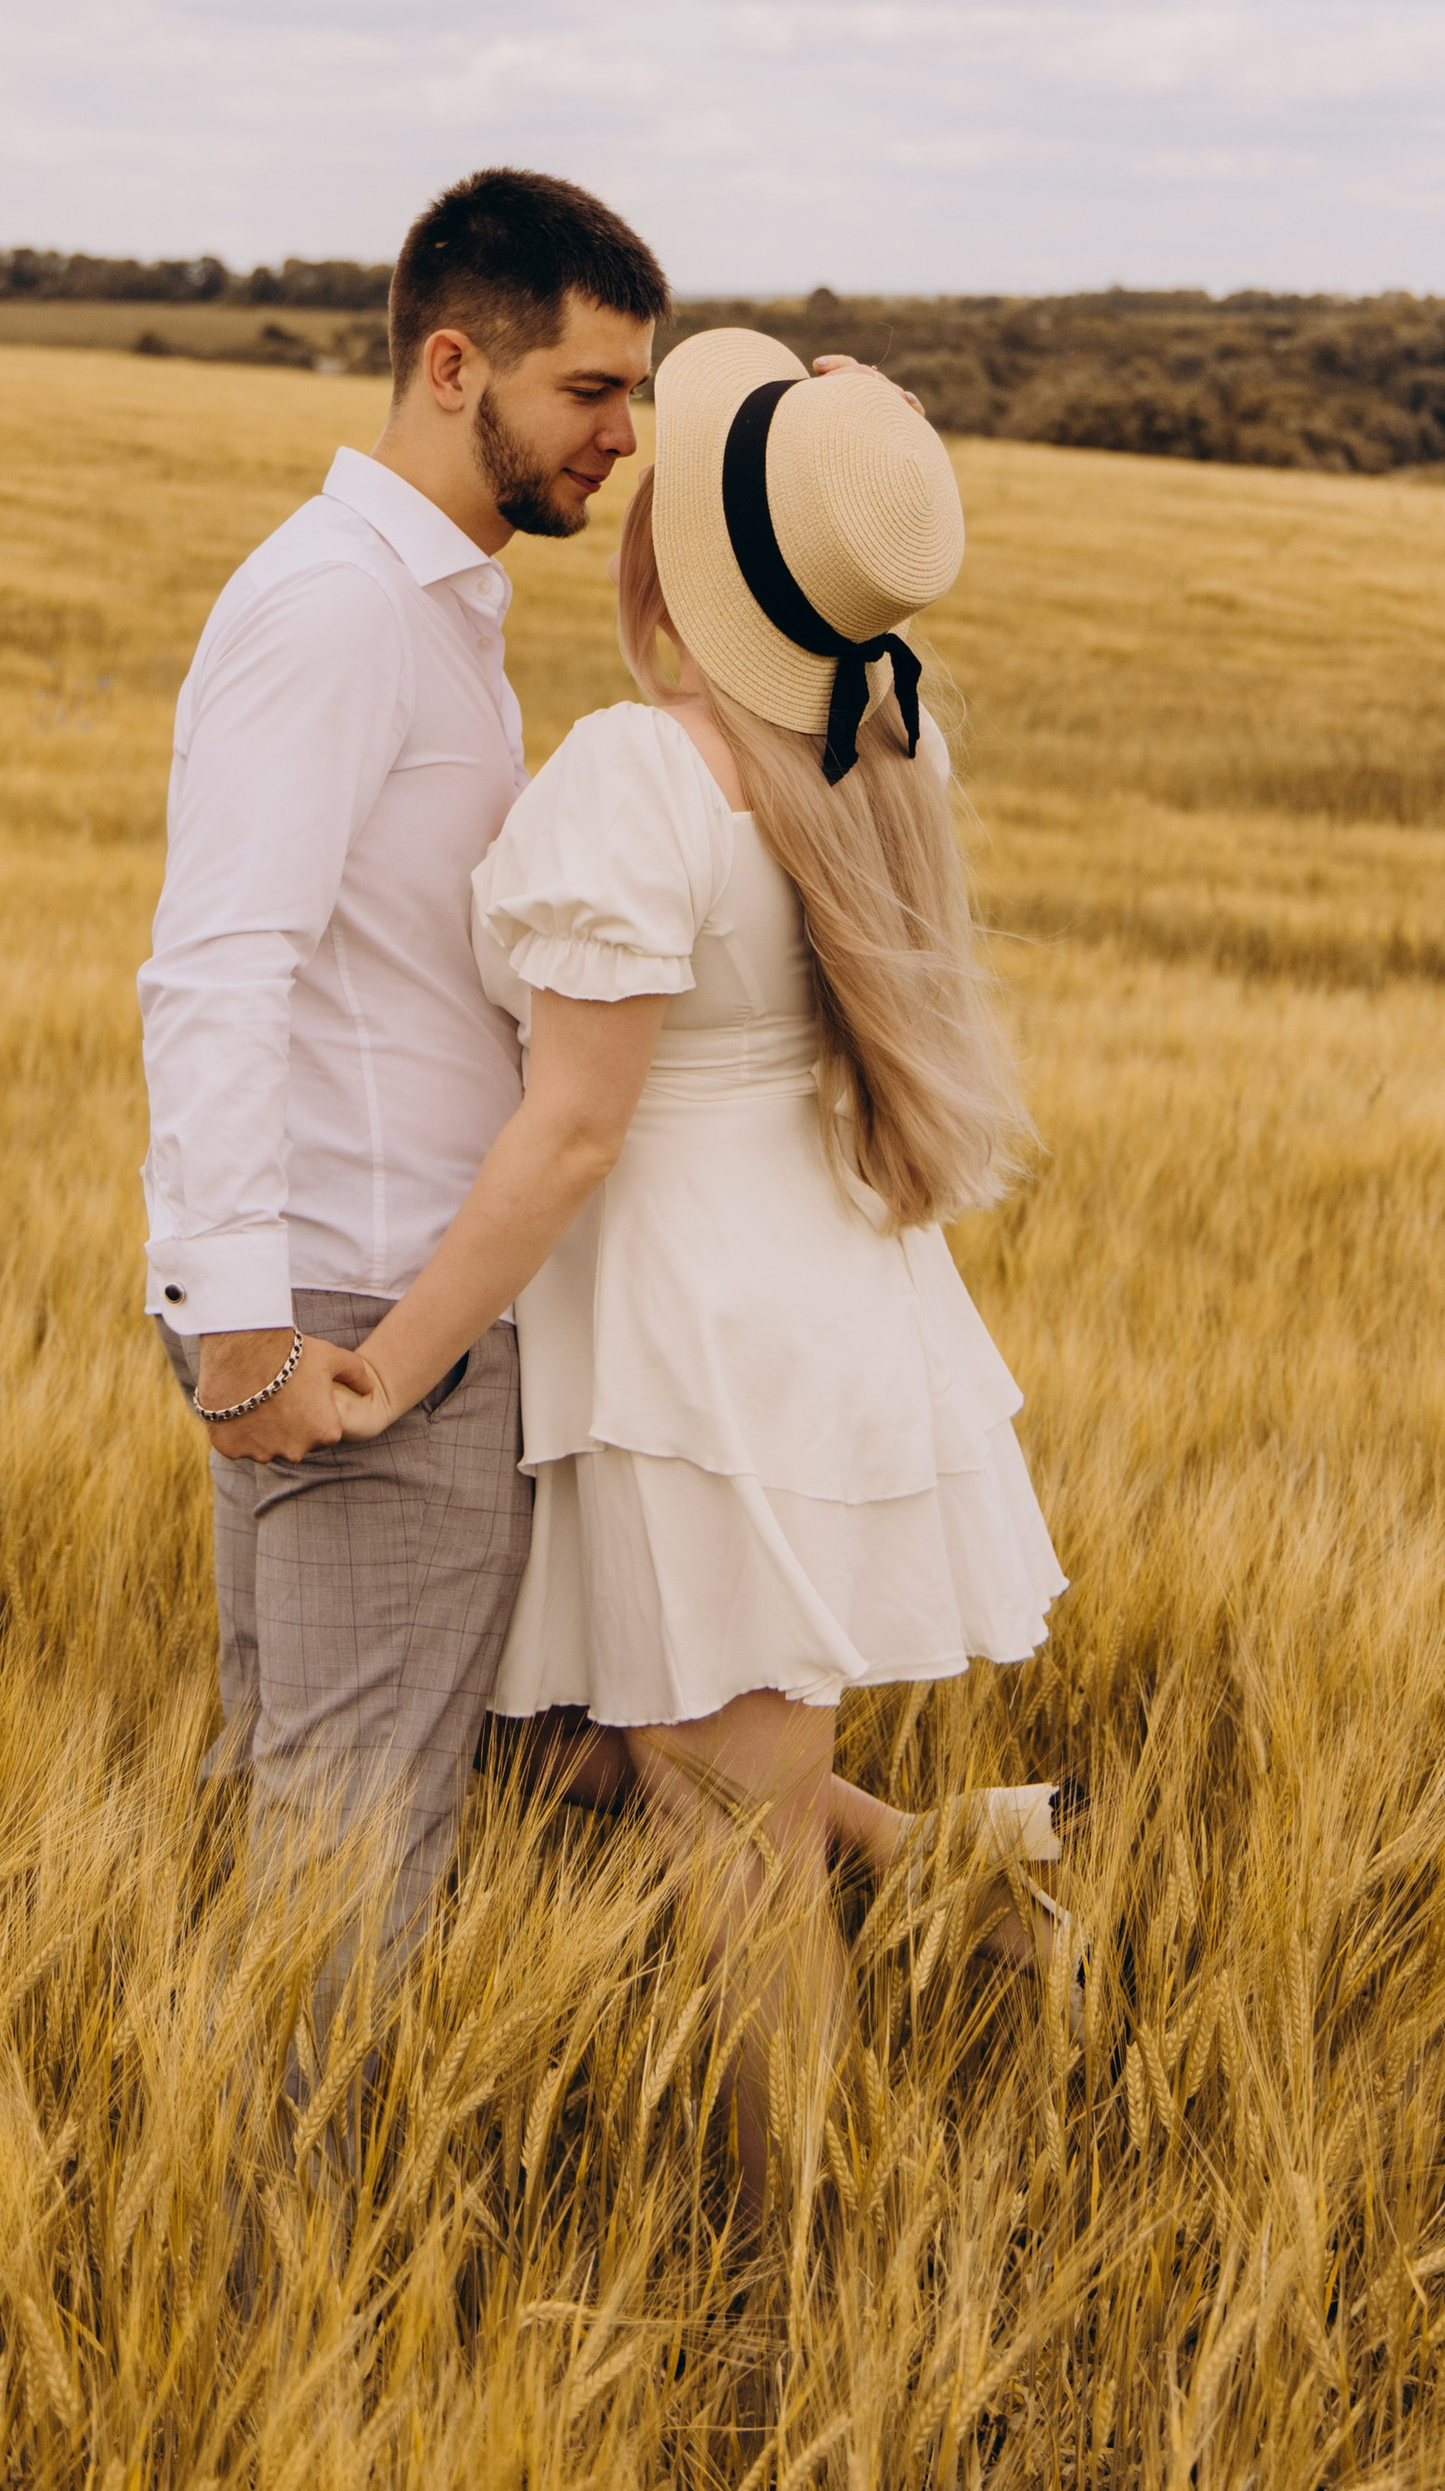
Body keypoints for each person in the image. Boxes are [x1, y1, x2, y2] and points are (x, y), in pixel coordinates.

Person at [326, 327, 1068, 2207]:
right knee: (620, 1742)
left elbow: (570, 1131)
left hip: (691, 1337)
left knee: (722, 1846)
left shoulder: (635, 780)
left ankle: (810, 2278)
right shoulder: (888, 731)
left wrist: (392, 1361)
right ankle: (944, 1865)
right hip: (827, 1295)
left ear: (677, 554)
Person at [139, 166, 667, 1969]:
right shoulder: (344, 608)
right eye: (590, 391)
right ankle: (276, 2252)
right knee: (345, 1872)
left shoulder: (433, 607)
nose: (624, 436)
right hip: (364, 1315)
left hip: (377, 1305)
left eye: (639, 394)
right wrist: (233, 1322)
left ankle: (228, 2234)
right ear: (457, 368)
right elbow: (220, 963)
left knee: (304, 1833)